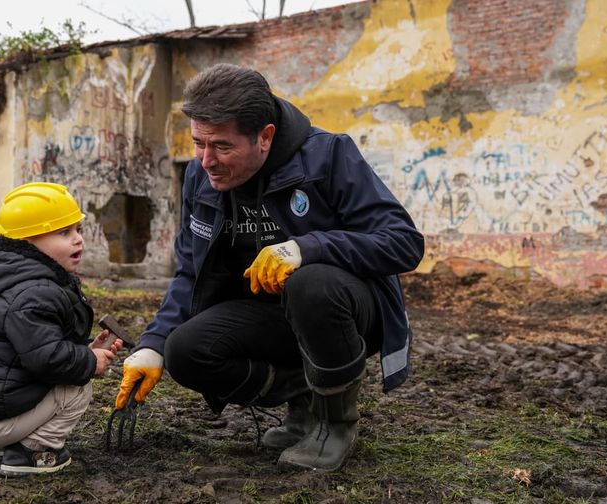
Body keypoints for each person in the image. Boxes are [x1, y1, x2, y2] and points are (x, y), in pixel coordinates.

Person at [116, 64, 424, 471]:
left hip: (343, 313)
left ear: (265, 137)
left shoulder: (327, 156)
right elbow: (190, 269)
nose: (207, 161)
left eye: (222, 147)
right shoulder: (198, 177)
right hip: (269, 318)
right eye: (198, 143)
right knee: (185, 351)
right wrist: (152, 344)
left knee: (310, 283)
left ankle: (336, 424)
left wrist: (306, 248)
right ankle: (306, 400)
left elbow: (404, 241)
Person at [0, 182, 123, 476]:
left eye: (77, 230)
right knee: (77, 388)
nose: (78, 240)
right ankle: (33, 452)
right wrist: (88, 362)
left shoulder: (13, 280)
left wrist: (85, 350)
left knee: (67, 372)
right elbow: (46, 359)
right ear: (28, 242)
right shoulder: (34, 293)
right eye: (63, 233)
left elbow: (38, 346)